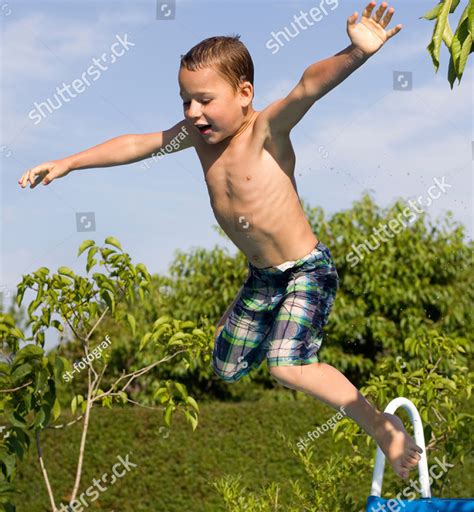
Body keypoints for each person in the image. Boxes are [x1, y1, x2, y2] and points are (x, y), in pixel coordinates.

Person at [18, 2, 422, 479]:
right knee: (226, 367)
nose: (194, 112)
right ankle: (251, 310)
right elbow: (134, 144)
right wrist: (67, 162)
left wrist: (357, 53)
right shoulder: (196, 137)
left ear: (244, 93)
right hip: (262, 278)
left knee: (286, 366)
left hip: (305, 270)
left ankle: (383, 427)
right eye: (186, 101)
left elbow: (308, 86)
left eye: (205, 100)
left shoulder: (266, 132)